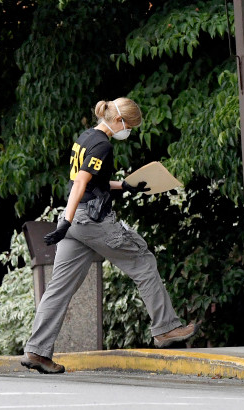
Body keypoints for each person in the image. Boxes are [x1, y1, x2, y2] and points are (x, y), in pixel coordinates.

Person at [20, 97, 198, 374]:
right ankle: (165, 329)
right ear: (119, 121)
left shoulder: (86, 137)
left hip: (76, 219)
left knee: (58, 288)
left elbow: (90, 179)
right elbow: (80, 182)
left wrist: (124, 185)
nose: (130, 131)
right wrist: (66, 221)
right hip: (90, 220)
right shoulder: (103, 144)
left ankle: (36, 351)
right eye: (130, 126)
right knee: (143, 260)